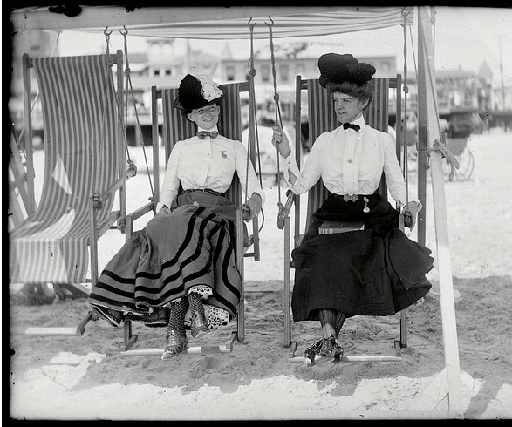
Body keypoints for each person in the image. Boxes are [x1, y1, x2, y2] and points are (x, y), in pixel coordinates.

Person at [271, 53, 433, 366]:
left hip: (371, 215)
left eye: (346, 100)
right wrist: (286, 153)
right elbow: (300, 184)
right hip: (333, 215)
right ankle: (329, 335)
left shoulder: (381, 140)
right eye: (335, 100)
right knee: (325, 258)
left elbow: (397, 183)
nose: (339, 106)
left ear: (362, 103)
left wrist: (411, 203)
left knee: (348, 257)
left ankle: (329, 335)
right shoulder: (324, 141)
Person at [89, 74, 264, 360]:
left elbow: (254, 188)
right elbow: (168, 191)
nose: (208, 114)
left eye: (213, 109)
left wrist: (254, 202)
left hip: (218, 213)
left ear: (219, 111)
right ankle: (184, 309)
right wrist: (161, 217)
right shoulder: (181, 148)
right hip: (182, 210)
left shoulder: (234, 147)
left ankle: (176, 329)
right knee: (150, 236)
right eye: (202, 111)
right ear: (191, 116)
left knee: (187, 229)